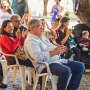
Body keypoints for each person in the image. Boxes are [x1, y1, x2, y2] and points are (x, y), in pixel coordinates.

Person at [24, 19, 85, 90]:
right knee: (66, 71)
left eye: (41, 25)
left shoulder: (41, 37)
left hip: (56, 60)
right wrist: (55, 52)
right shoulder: (31, 41)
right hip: (44, 65)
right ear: (32, 28)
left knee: (80, 66)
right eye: (39, 26)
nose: (42, 27)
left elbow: (50, 46)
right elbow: (38, 57)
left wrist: (59, 47)